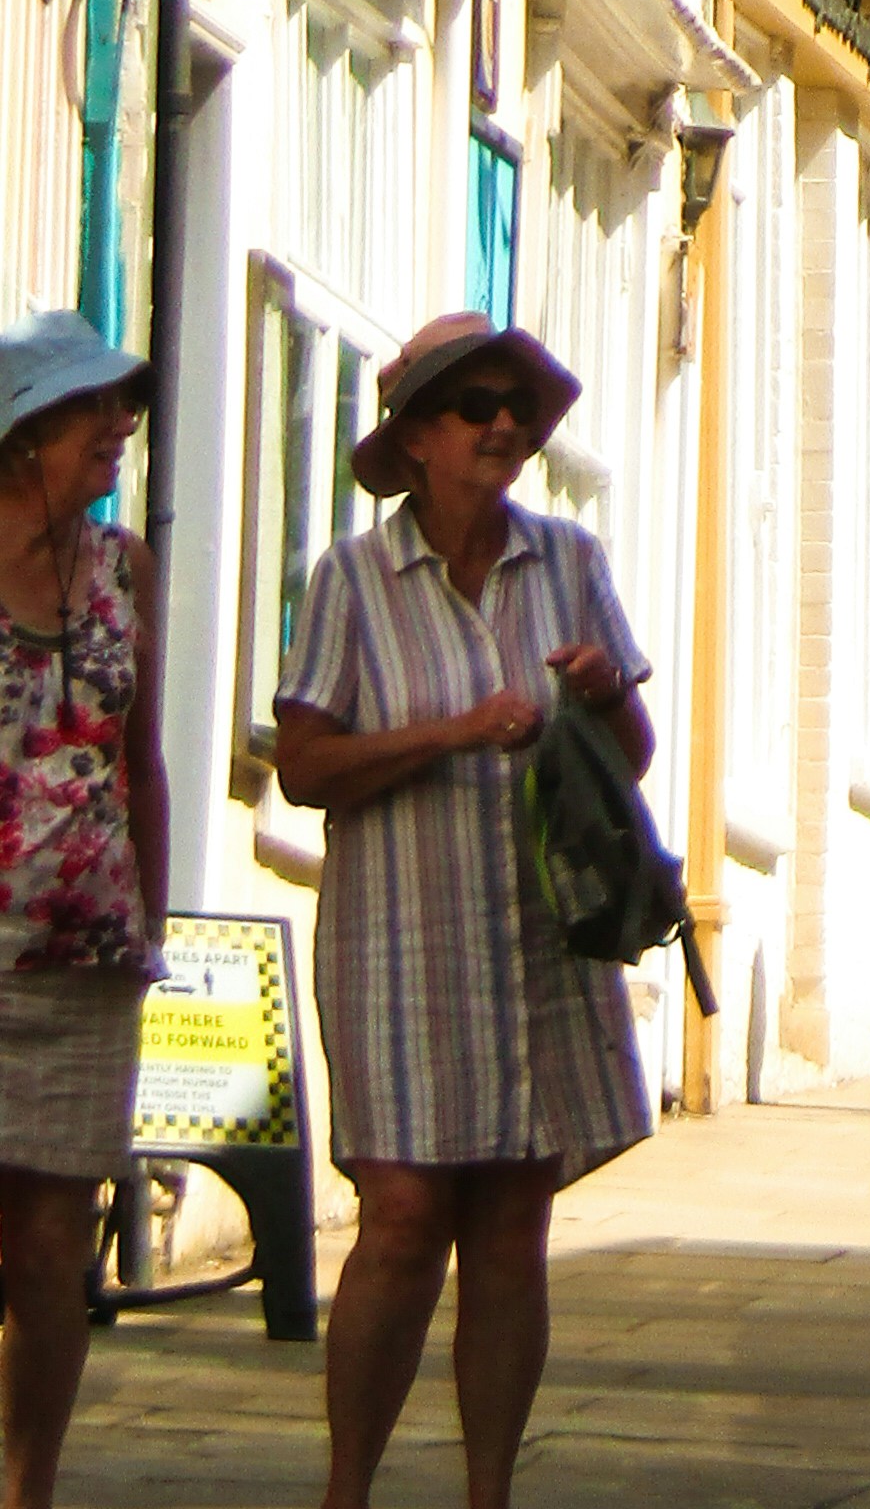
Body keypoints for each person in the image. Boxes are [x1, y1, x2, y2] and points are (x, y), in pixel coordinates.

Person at [270, 315, 657, 1509]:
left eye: (516, 409)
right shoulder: (351, 579)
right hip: (401, 939)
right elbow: (303, 766)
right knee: (400, 1216)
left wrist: (597, 698)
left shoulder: (571, 558)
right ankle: (350, 1488)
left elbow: (631, 757)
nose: (503, 425)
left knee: (508, 1225)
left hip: (536, 936)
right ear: (418, 437)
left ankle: (489, 1492)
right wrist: (452, 727)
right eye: (474, 404)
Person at [0, 312, 165, 1509]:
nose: (118, 427)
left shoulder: (123, 570)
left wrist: (155, 916)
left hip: (84, 958)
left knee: (54, 1246)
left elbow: (140, 759)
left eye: (126, 406)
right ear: (25, 434)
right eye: (93, 407)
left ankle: (30, 1485)